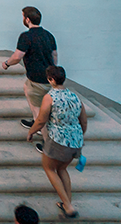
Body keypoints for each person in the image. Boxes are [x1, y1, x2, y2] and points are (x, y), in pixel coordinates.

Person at [25, 65, 87, 219]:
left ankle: (69, 206)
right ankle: (66, 204)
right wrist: (78, 136)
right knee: (62, 170)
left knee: (49, 168)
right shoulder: (75, 97)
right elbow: (83, 121)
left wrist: (31, 131)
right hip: (76, 141)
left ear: (50, 80)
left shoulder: (50, 97)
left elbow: (41, 120)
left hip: (58, 140)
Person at [2, 5, 58, 134]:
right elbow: (54, 54)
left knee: (37, 109)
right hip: (48, 77)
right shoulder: (49, 35)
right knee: (28, 88)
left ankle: (44, 139)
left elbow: (17, 56)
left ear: (27, 20)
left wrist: (6, 63)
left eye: (23, 16)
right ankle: (36, 121)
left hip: (37, 78)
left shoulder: (26, 36)